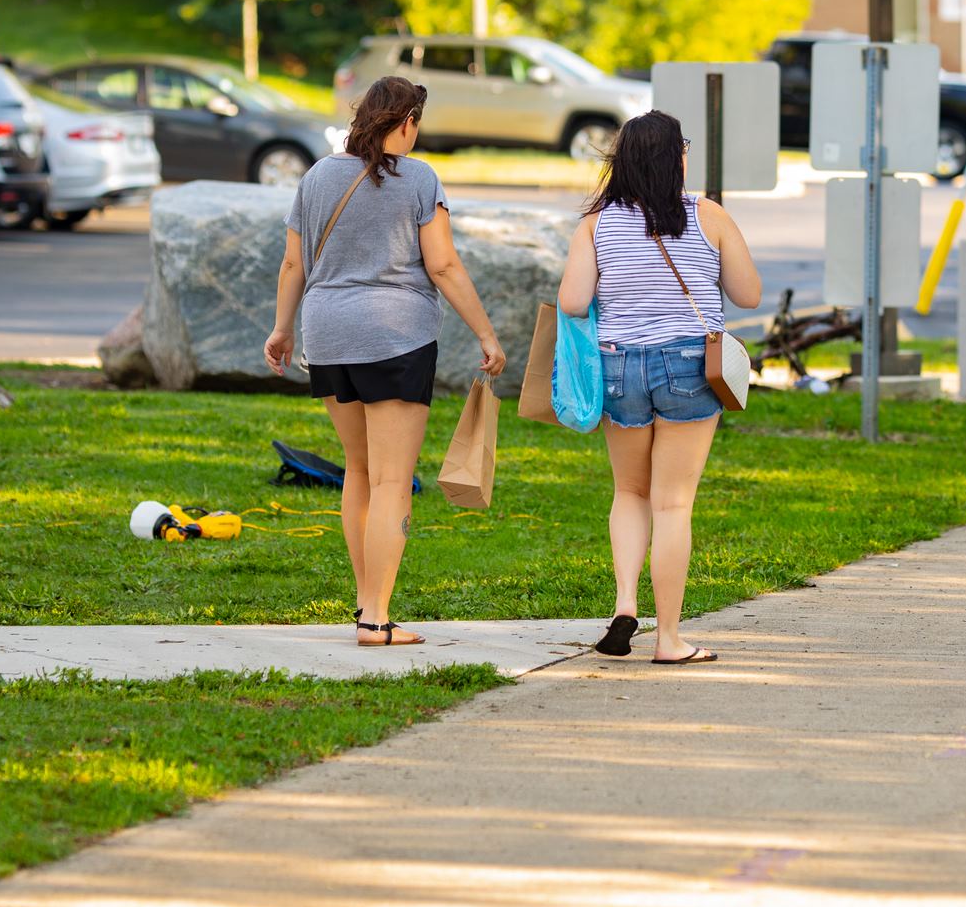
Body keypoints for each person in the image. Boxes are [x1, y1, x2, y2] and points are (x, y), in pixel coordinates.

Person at [264, 77, 507, 646]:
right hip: (396, 336)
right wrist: (486, 333)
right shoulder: (419, 178)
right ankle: (376, 618)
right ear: (407, 121)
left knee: (360, 472)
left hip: (326, 336)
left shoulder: (318, 175)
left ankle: (364, 602)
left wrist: (281, 329)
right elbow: (443, 266)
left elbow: (292, 264)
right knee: (393, 478)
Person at [558, 111, 761, 663]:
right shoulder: (707, 216)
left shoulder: (596, 224)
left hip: (620, 366)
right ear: (675, 157)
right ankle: (668, 638)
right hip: (689, 366)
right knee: (673, 504)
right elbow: (749, 294)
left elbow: (573, 303)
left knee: (630, 492)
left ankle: (625, 603)